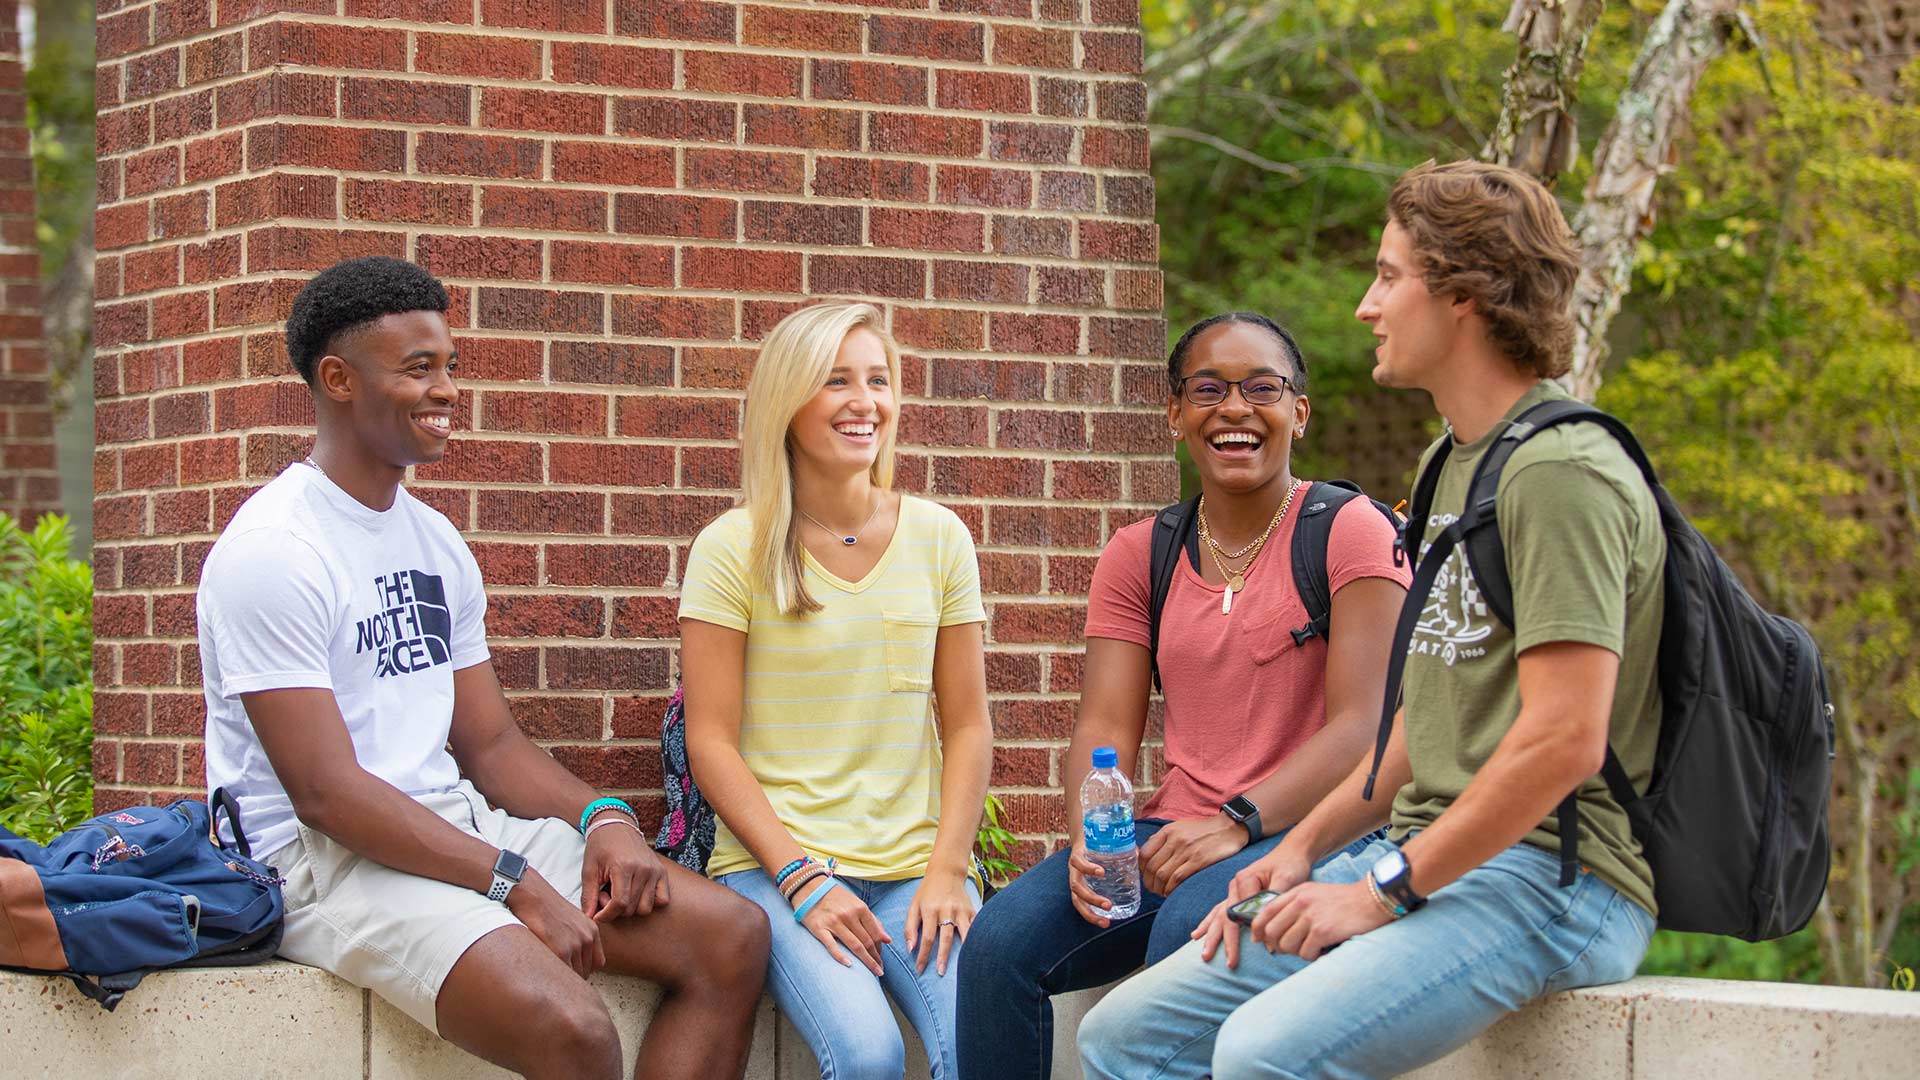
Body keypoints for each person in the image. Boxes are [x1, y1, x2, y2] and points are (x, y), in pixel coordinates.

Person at [1076, 161, 1666, 1080]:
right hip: (1419, 849)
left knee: (1260, 1055)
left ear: (1463, 295)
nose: (1365, 305)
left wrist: (1383, 892)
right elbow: (1417, 725)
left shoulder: (1563, 473)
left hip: (1554, 875)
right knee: (1122, 1037)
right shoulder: (1451, 468)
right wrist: (1303, 851)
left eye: (1389, 276)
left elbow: (1564, 742)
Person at [196, 257, 770, 1080]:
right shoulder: (274, 552)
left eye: (450, 367)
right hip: (322, 864)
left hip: (451, 825)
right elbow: (325, 793)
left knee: (730, 938)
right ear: (338, 379)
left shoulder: (434, 543)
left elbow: (492, 745)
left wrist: (604, 818)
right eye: (418, 368)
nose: (447, 389)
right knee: (571, 1027)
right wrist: (516, 884)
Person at [958, 312, 1411, 1078]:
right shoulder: (1143, 553)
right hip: (1174, 830)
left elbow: (1365, 728)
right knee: (999, 947)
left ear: (1298, 411)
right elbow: (1103, 724)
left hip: (1312, 829)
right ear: (1175, 414)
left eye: (1261, 388)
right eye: (1208, 390)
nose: (1234, 409)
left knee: (1183, 942)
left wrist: (1236, 823)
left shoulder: (1347, 530)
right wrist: (1088, 844)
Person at [677, 301, 993, 1080]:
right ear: (788, 403)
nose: (866, 403)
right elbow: (709, 739)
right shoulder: (731, 548)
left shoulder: (940, 536)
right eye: (836, 381)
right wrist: (801, 878)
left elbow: (970, 724)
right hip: (777, 871)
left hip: (916, 870)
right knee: (868, 1054)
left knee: (981, 1046)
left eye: (878, 381)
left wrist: (950, 869)